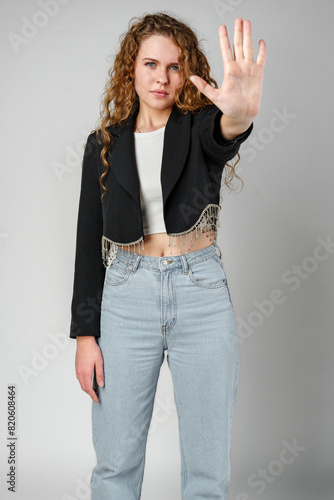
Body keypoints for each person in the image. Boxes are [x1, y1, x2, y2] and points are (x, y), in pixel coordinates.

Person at [70, 12, 266, 500]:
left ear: (187, 74)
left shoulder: (200, 127)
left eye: (175, 67)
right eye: (151, 64)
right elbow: (87, 243)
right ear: (130, 69)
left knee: (207, 472)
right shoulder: (104, 145)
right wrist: (85, 335)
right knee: (114, 464)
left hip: (199, 292)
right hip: (125, 296)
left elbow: (226, 133)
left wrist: (240, 115)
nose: (162, 77)